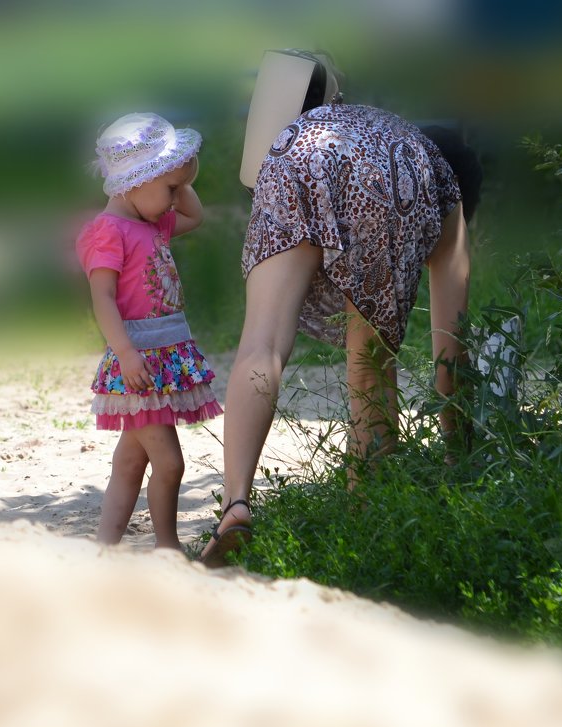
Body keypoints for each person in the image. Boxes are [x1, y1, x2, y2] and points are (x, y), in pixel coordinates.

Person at [199, 51, 482, 567]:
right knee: (369, 362)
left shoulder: (370, 124)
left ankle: (235, 503)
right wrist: (459, 455)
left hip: (293, 154)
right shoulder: (442, 185)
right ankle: (366, 511)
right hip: (377, 175)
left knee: (261, 344)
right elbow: (451, 352)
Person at [75, 112, 223, 550]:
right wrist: (125, 352)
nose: (178, 200)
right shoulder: (108, 231)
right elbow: (102, 298)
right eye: (170, 189)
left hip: (162, 356)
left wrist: (178, 176)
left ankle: (105, 546)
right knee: (170, 463)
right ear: (135, 183)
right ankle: (167, 547)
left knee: (130, 462)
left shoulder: (152, 220)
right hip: (137, 363)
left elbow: (196, 217)